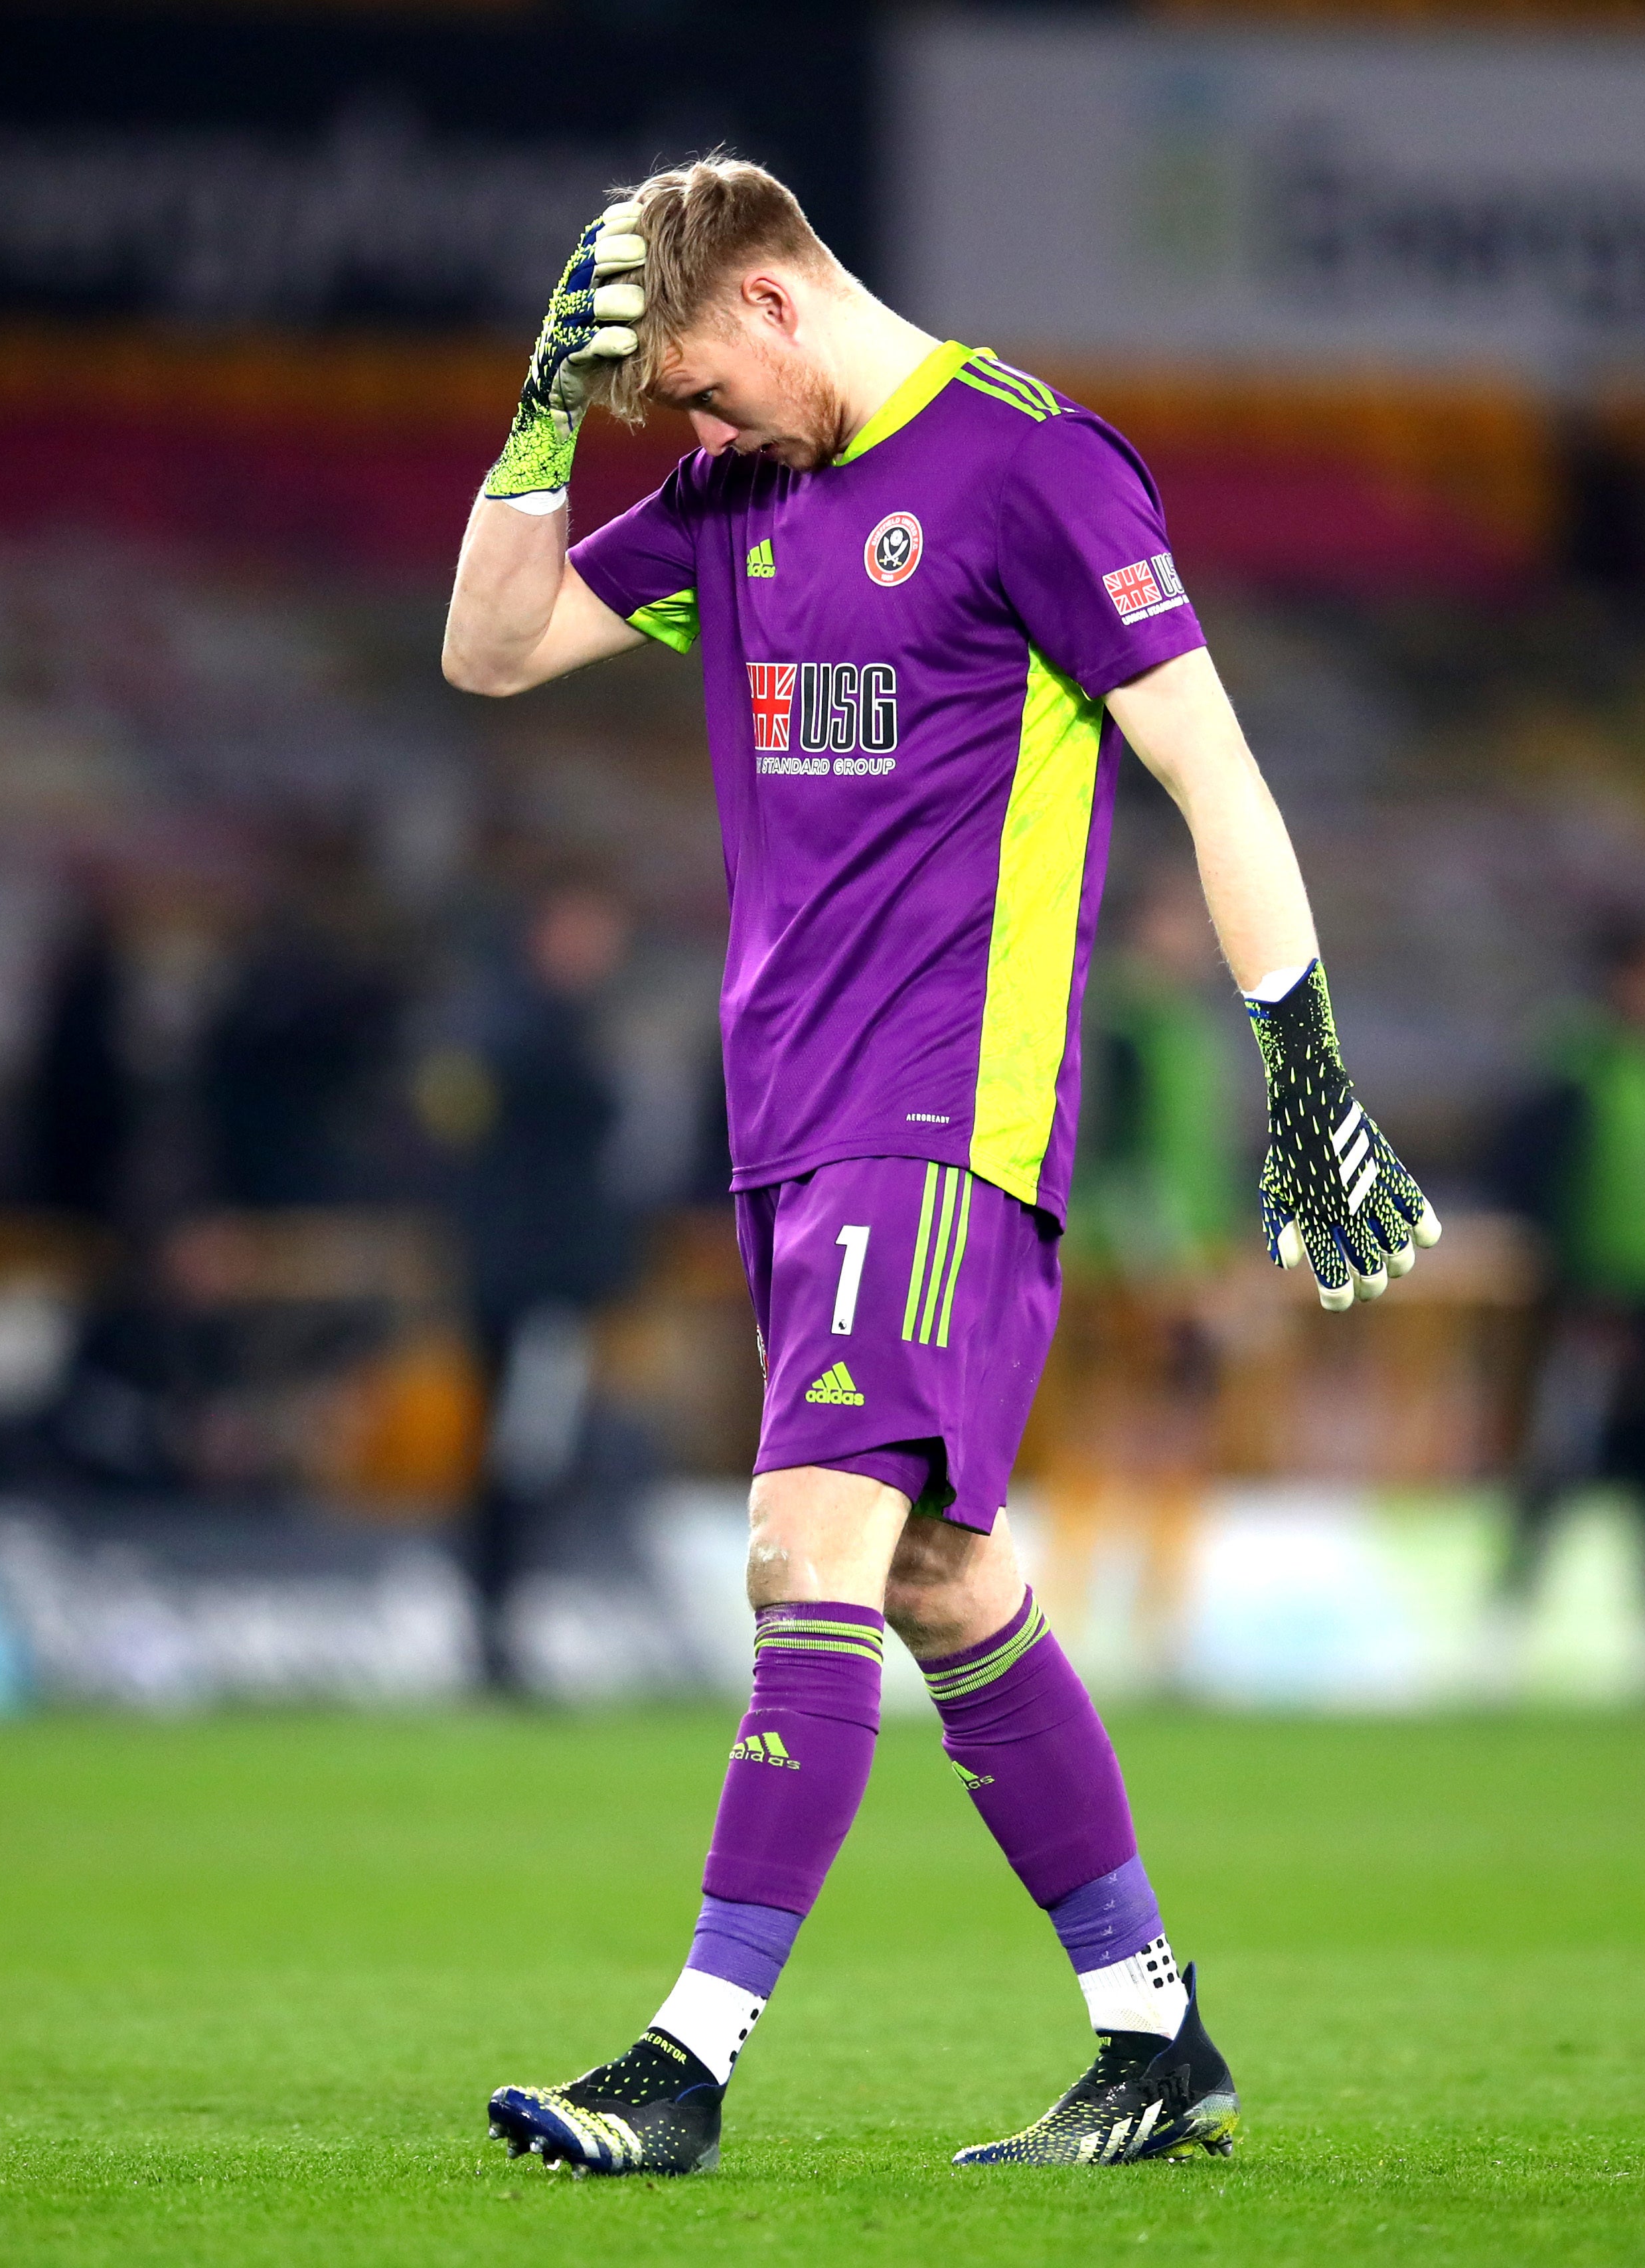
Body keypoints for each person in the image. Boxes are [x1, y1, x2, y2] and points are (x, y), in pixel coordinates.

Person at [439, 156, 1436, 2176]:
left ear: (781, 308)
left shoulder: (1025, 469)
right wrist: (542, 412)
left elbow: (1205, 764)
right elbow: (492, 643)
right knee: (932, 1571)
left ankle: (683, 2056)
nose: (694, 439)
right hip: (787, 1117)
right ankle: (1150, 2033)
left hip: (940, 1113)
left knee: (799, 1549)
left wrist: (1303, 1056)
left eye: (698, 392)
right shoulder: (740, 490)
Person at [1488, 925, 1645, 1668]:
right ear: (1620, 983)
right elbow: (1521, 1172)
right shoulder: (1577, 1070)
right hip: (1586, 1300)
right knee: (1560, 1456)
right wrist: (1573, 1277)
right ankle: (1507, 1619)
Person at [426, 880, 643, 1692]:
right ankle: (495, 1627)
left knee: (527, 1448)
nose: (601, 950)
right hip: (534, 1285)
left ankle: (499, 1619)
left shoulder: (514, 1026)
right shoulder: (529, 1032)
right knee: (524, 1452)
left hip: (520, 1276)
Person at [1036, 865, 1247, 1685]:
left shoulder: (1189, 1030)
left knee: (1176, 1437)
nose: (1196, 939)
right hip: (1125, 1264)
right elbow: (1114, 1158)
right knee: (1106, 1430)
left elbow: (1203, 1161)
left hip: (1189, 1263)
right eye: (1180, 922)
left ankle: (1164, 1620)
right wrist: (1159, 1263)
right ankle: (1073, 1611)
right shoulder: (1116, 1023)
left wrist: (1224, 1261)